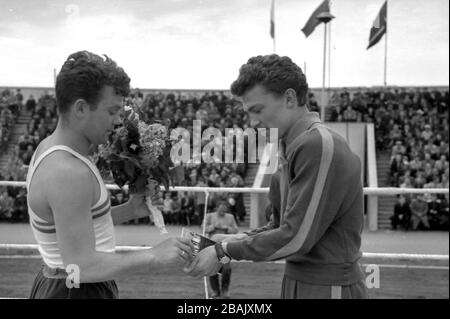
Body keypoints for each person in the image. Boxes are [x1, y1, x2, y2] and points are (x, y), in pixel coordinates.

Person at [185, 54, 368, 299]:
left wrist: (223, 251)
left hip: (329, 287)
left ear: (290, 98)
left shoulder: (317, 144)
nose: (253, 121)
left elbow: (296, 238)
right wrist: (234, 238)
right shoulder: (290, 147)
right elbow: (278, 226)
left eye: (258, 110)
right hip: (301, 281)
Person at [26, 51, 192, 299]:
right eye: (112, 111)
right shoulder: (68, 171)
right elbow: (80, 267)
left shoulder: (52, 150)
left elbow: (73, 226)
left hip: (67, 285)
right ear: (81, 108)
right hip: (75, 288)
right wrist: (154, 255)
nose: (118, 121)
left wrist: (130, 210)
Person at [203, 201, 239, 298]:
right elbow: (203, 229)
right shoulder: (209, 216)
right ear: (217, 208)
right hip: (212, 246)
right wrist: (213, 227)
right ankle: (215, 291)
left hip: (225, 247)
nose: (223, 212)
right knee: (212, 269)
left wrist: (227, 228)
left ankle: (225, 290)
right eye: (221, 209)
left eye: (224, 210)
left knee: (227, 269)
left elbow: (236, 230)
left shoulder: (230, 217)